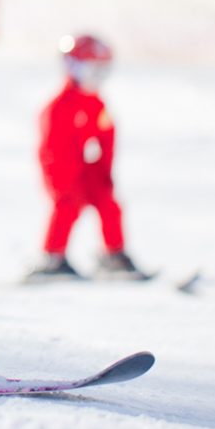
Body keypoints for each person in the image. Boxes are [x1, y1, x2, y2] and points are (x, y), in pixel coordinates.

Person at [26, 34, 146, 282]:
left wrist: (104, 172)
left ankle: (113, 254)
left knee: (109, 203)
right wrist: (61, 180)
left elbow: (106, 137)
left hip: (87, 170)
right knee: (66, 206)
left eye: (103, 72)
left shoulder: (96, 104)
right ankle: (53, 257)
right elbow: (50, 149)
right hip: (63, 173)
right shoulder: (59, 106)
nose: (97, 78)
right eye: (92, 71)